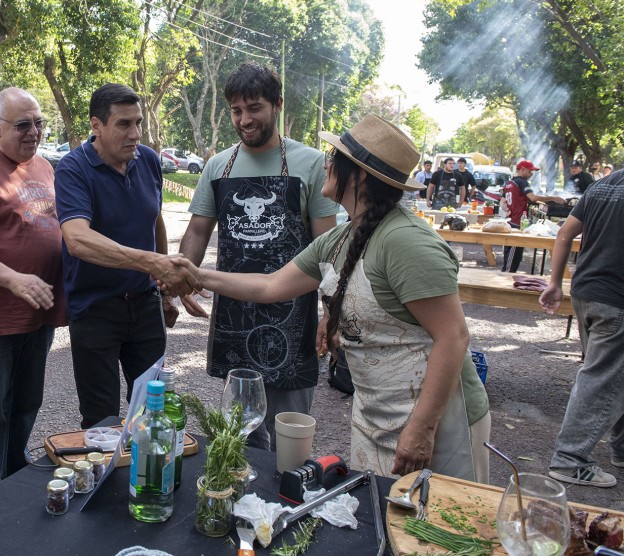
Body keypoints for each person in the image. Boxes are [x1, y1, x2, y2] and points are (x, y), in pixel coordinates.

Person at [172, 115, 490, 481]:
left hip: (438, 421)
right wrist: (192, 274)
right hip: (379, 412)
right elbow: (269, 286)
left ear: (358, 176)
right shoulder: (341, 238)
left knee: (435, 531)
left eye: (333, 158)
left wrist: (423, 429)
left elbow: (453, 336)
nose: (325, 163)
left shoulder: (406, 241)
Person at [178, 62, 336, 449]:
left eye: (255, 108)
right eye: (236, 110)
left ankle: (285, 508)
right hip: (234, 317)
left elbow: (329, 246)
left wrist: (333, 309)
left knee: (289, 439)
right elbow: (198, 230)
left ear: (277, 105)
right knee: (239, 439)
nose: (244, 119)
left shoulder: (311, 163)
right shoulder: (218, 166)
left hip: (293, 318)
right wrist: (182, 277)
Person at [55, 83, 198, 428]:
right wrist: (152, 263)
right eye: (123, 124)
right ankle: (106, 481)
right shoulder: (73, 169)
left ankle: (151, 481)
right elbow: (77, 239)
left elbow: (155, 221)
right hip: (95, 311)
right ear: (96, 125)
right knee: (101, 420)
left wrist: (163, 288)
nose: (135, 133)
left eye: (138, 123)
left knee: (155, 412)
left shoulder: (147, 160)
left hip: (146, 306)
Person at [0, 88, 68, 495]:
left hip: (38, 318)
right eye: (23, 124)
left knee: (27, 406)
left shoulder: (43, 166)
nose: (34, 132)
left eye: (40, 123)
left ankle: (9, 483)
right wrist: (15, 280)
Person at [540, 167, 624, 488]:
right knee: (602, 377)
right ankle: (569, 460)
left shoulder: (604, 185)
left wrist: (555, 282)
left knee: (611, 373)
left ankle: (620, 448)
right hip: (616, 300)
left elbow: (564, 234)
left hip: (586, 292)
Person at [501, 160, 566, 273]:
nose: (531, 174)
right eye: (530, 171)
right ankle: (505, 278)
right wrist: (553, 198)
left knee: (510, 253)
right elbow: (533, 198)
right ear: (522, 170)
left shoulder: (509, 183)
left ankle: (506, 275)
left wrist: (507, 209)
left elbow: (502, 202)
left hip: (510, 221)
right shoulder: (522, 182)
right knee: (513, 257)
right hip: (517, 222)